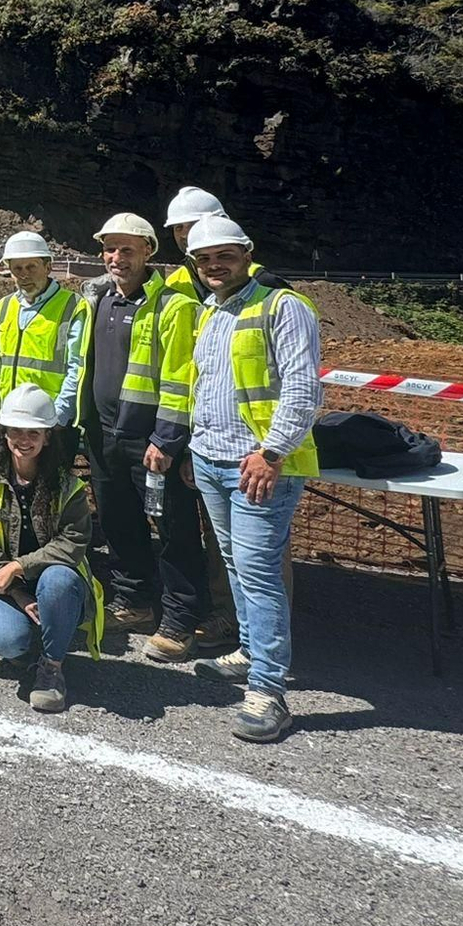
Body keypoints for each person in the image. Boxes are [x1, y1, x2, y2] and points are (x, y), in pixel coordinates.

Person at [183, 215, 321, 744]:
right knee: (237, 566)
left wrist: (272, 451)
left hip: (259, 466)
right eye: (204, 259)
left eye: (224, 256)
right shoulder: (211, 311)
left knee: (259, 572)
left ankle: (269, 690)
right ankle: (248, 651)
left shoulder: (282, 307)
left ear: (246, 253)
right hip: (213, 461)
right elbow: (208, 387)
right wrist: (196, 450)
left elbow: (303, 389)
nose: (214, 266)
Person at [81, 213, 205, 653]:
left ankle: (180, 619)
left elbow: (180, 379)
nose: (117, 258)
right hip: (103, 436)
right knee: (119, 523)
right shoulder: (97, 300)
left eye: (127, 249)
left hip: (150, 442)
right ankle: (133, 601)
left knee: (173, 528)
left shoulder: (173, 305)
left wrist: (167, 440)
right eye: (110, 249)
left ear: (149, 251)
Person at [0, 384, 106, 713]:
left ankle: (52, 668)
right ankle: (33, 647)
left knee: (58, 580)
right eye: (16, 431)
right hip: (1, 584)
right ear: (4, 433)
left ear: (47, 437)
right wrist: (17, 591)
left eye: (33, 433)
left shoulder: (68, 486)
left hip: (50, 580)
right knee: (7, 640)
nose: (24, 440)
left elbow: (71, 544)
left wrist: (18, 566)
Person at [0, 231, 89, 428]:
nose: (24, 274)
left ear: (48, 267)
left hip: (49, 420)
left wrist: (59, 416)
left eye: (31, 266)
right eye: (17, 268)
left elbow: (76, 368)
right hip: (10, 414)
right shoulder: (3, 306)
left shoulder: (72, 306)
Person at [162, 186, 226, 298]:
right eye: (178, 227)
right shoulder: (174, 283)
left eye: (193, 224)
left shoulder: (255, 278)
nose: (185, 234)